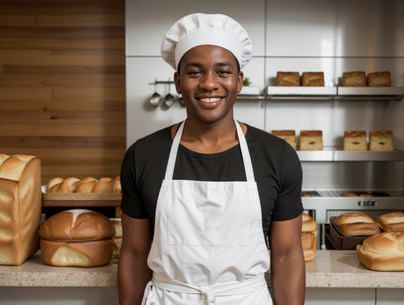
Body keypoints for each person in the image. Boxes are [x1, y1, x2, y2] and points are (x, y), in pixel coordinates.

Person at [118, 13, 305, 305]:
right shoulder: (143, 155)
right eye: (194, 72)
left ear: (239, 81)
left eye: (223, 72)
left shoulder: (277, 155)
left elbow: (287, 254)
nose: (209, 84)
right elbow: (134, 252)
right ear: (178, 81)